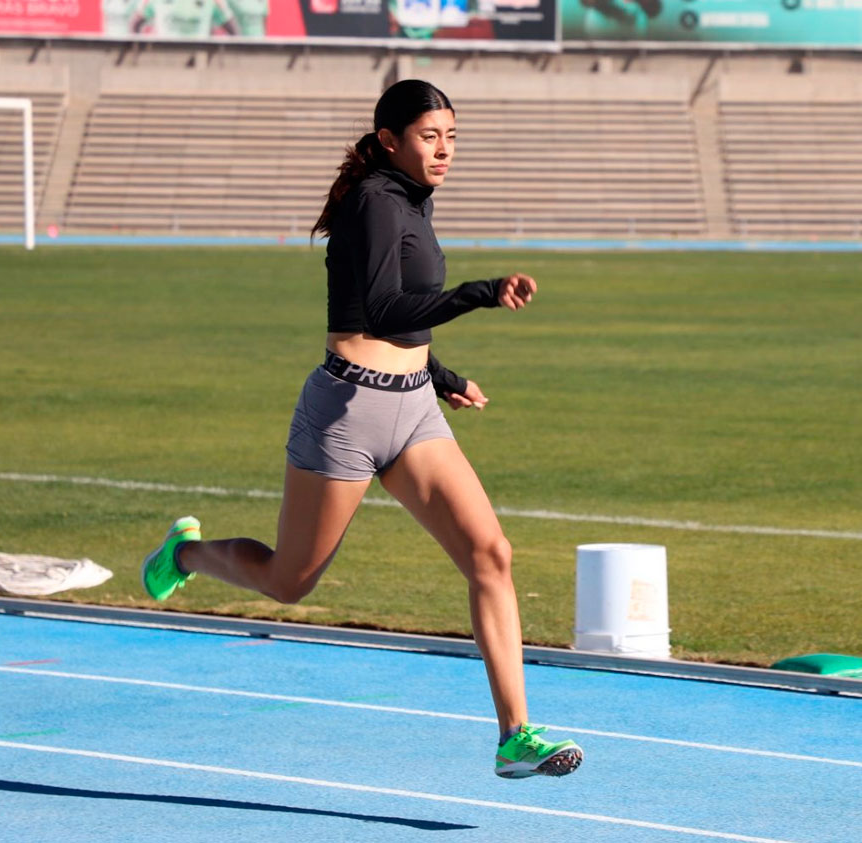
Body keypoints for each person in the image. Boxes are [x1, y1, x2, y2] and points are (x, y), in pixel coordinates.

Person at [139, 79, 583, 780]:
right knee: (290, 581)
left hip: (414, 408)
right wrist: (481, 292)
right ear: (389, 141)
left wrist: (441, 375)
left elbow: (393, 316)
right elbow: (380, 311)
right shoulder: (375, 199)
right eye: (430, 137)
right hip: (346, 413)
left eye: (452, 137)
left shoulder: (413, 198)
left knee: (491, 554)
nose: (444, 149)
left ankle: (515, 735)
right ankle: (185, 554)